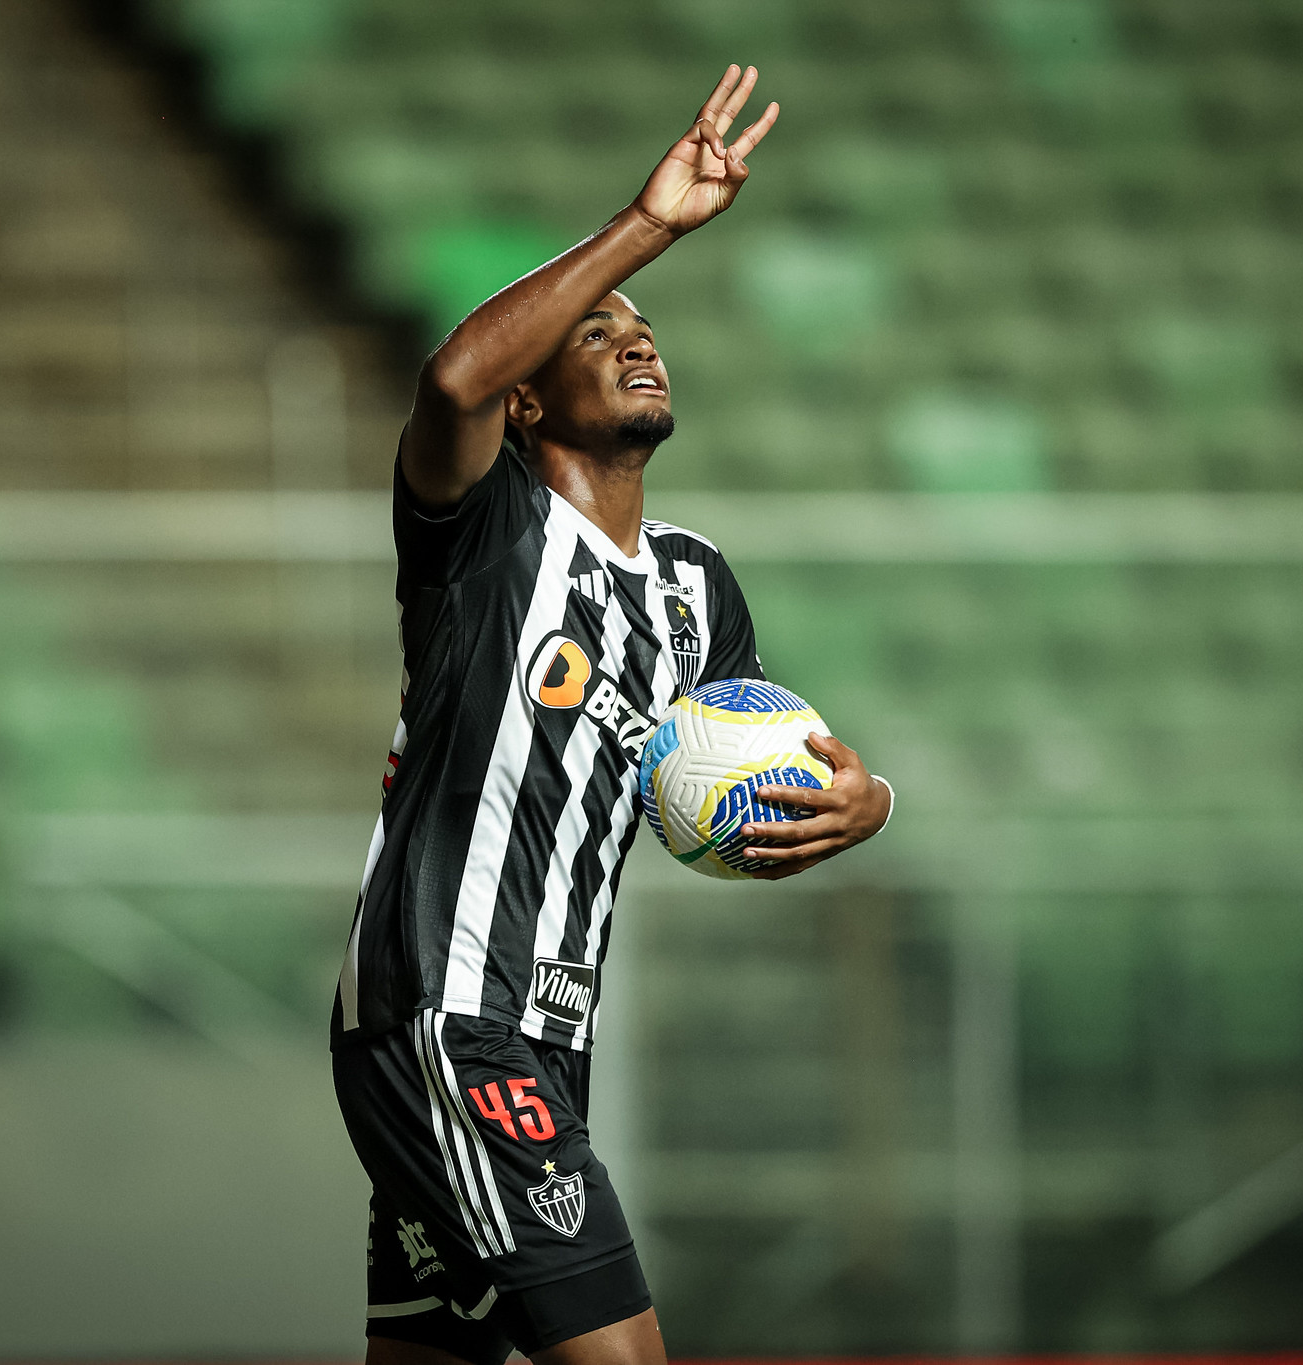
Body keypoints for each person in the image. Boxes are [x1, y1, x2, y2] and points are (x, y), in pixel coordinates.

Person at [330, 65, 894, 1365]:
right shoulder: (484, 535)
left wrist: (864, 801)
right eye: (598, 331)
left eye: (646, 324)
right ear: (532, 398)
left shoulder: (697, 590)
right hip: (451, 1016)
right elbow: (457, 379)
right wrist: (649, 225)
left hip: (544, 1035)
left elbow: (774, 774)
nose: (638, 336)